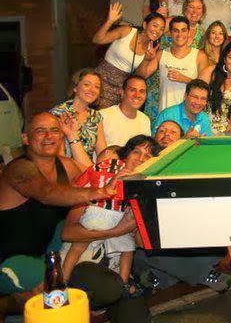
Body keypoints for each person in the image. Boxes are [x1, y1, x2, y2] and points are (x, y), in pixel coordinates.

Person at [0, 113, 145, 323]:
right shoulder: (18, 168)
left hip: (53, 254)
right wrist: (103, 191)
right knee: (56, 289)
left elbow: (92, 178)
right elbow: (47, 193)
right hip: (12, 259)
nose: (49, 136)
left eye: (54, 130)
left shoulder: (66, 165)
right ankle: (7, 304)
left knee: (121, 302)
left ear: (61, 136)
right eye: (40, 131)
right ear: (26, 138)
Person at [60, 136, 159, 290]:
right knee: (80, 245)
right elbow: (67, 233)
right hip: (96, 226)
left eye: (147, 155)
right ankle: (62, 281)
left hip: (109, 259)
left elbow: (141, 241)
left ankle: (123, 286)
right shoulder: (107, 172)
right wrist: (118, 230)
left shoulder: (147, 186)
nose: (141, 158)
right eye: (136, 152)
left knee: (128, 248)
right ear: (126, 154)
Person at [92, 4, 165, 108]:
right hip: (100, 79)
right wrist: (109, 21)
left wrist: (147, 60)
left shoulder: (153, 49)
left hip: (120, 88)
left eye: (161, 29)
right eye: (155, 25)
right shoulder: (127, 31)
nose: (157, 31)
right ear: (145, 25)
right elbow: (97, 40)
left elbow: (140, 76)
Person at [136, 16, 207, 113]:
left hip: (189, 116)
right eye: (176, 31)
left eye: (183, 30)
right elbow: (141, 76)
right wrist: (146, 60)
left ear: (189, 32)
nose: (180, 34)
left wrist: (185, 79)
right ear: (170, 33)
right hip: (165, 114)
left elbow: (204, 88)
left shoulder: (200, 56)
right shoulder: (161, 54)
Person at [50, 69, 106, 159]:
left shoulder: (95, 116)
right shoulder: (59, 112)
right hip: (64, 165)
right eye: (87, 85)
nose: (92, 90)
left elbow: (102, 153)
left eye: (97, 87)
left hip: (88, 166)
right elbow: (58, 153)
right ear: (75, 87)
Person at [99, 75, 151, 147]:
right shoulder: (103, 116)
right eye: (132, 90)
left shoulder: (145, 120)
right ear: (122, 92)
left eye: (142, 91)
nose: (137, 95)